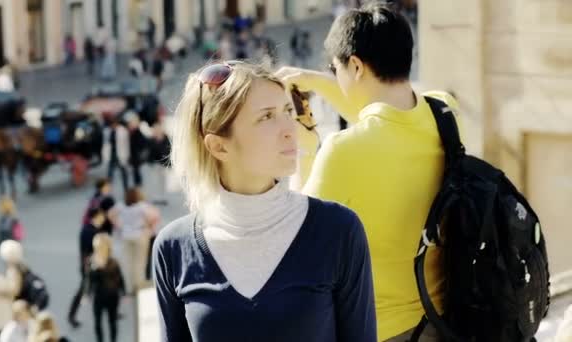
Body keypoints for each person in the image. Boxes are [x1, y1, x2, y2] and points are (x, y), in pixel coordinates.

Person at [152, 61, 376, 341]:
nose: (290, 129)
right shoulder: (173, 248)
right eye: (266, 117)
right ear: (219, 146)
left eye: (286, 111)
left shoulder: (339, 230)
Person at [276, 2, 460, 340]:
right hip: (447, 317)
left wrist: (304, 149)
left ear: (356, 66)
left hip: (385, 329)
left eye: (337, 70)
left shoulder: (343, 151)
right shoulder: (446, 112)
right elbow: (385, 113)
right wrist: (317, 81)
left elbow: (295, 238)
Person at [109, 188, 158, 293]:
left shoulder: (121, 206)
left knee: (128, 262)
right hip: (140, 235)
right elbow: (154, 216)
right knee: (140, 262)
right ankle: (139, 286)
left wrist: (119, 225)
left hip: (126, 235)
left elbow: (110, 214)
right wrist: (148, 226)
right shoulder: (141, 206)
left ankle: (129, 287)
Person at [67, 208, 105, 328]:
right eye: (101, 215)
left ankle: (110, 309)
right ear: (96, 216)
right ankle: (71, 315)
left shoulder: (89, 228)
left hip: (91, 265)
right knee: (83, 290)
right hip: (90, 266)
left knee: (101, 288)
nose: (103, 218)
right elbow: (89, 250)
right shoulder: (90, 231)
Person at [84, 234, 125, 342]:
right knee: (97, 322)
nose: (100, 250)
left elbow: (120, 279)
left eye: (103, 247)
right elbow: (88, 280)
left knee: (112, 321)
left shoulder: (114, 262)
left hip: (112, 296)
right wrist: (86, 294)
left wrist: (123, 293)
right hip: (98, 297)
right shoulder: (91, 261)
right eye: (98, 247)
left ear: (108, 248)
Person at [106, 119, 130, 193]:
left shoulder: (123, 131)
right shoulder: (107, 131)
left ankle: (126, 190)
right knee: (110, 175)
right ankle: (107, 191)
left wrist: (127, 155)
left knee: (124, 174)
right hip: (111, 155)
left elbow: (126, 144)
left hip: (121, 155)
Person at [125, 113, 148, 187]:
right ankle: (136, 183)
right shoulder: (130, 131)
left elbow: (143, 143)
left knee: (136, 170)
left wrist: (140, 151)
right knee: (134, 170)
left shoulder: (138, 132)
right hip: (132, 154)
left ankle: (138, 184)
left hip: (136, 155)